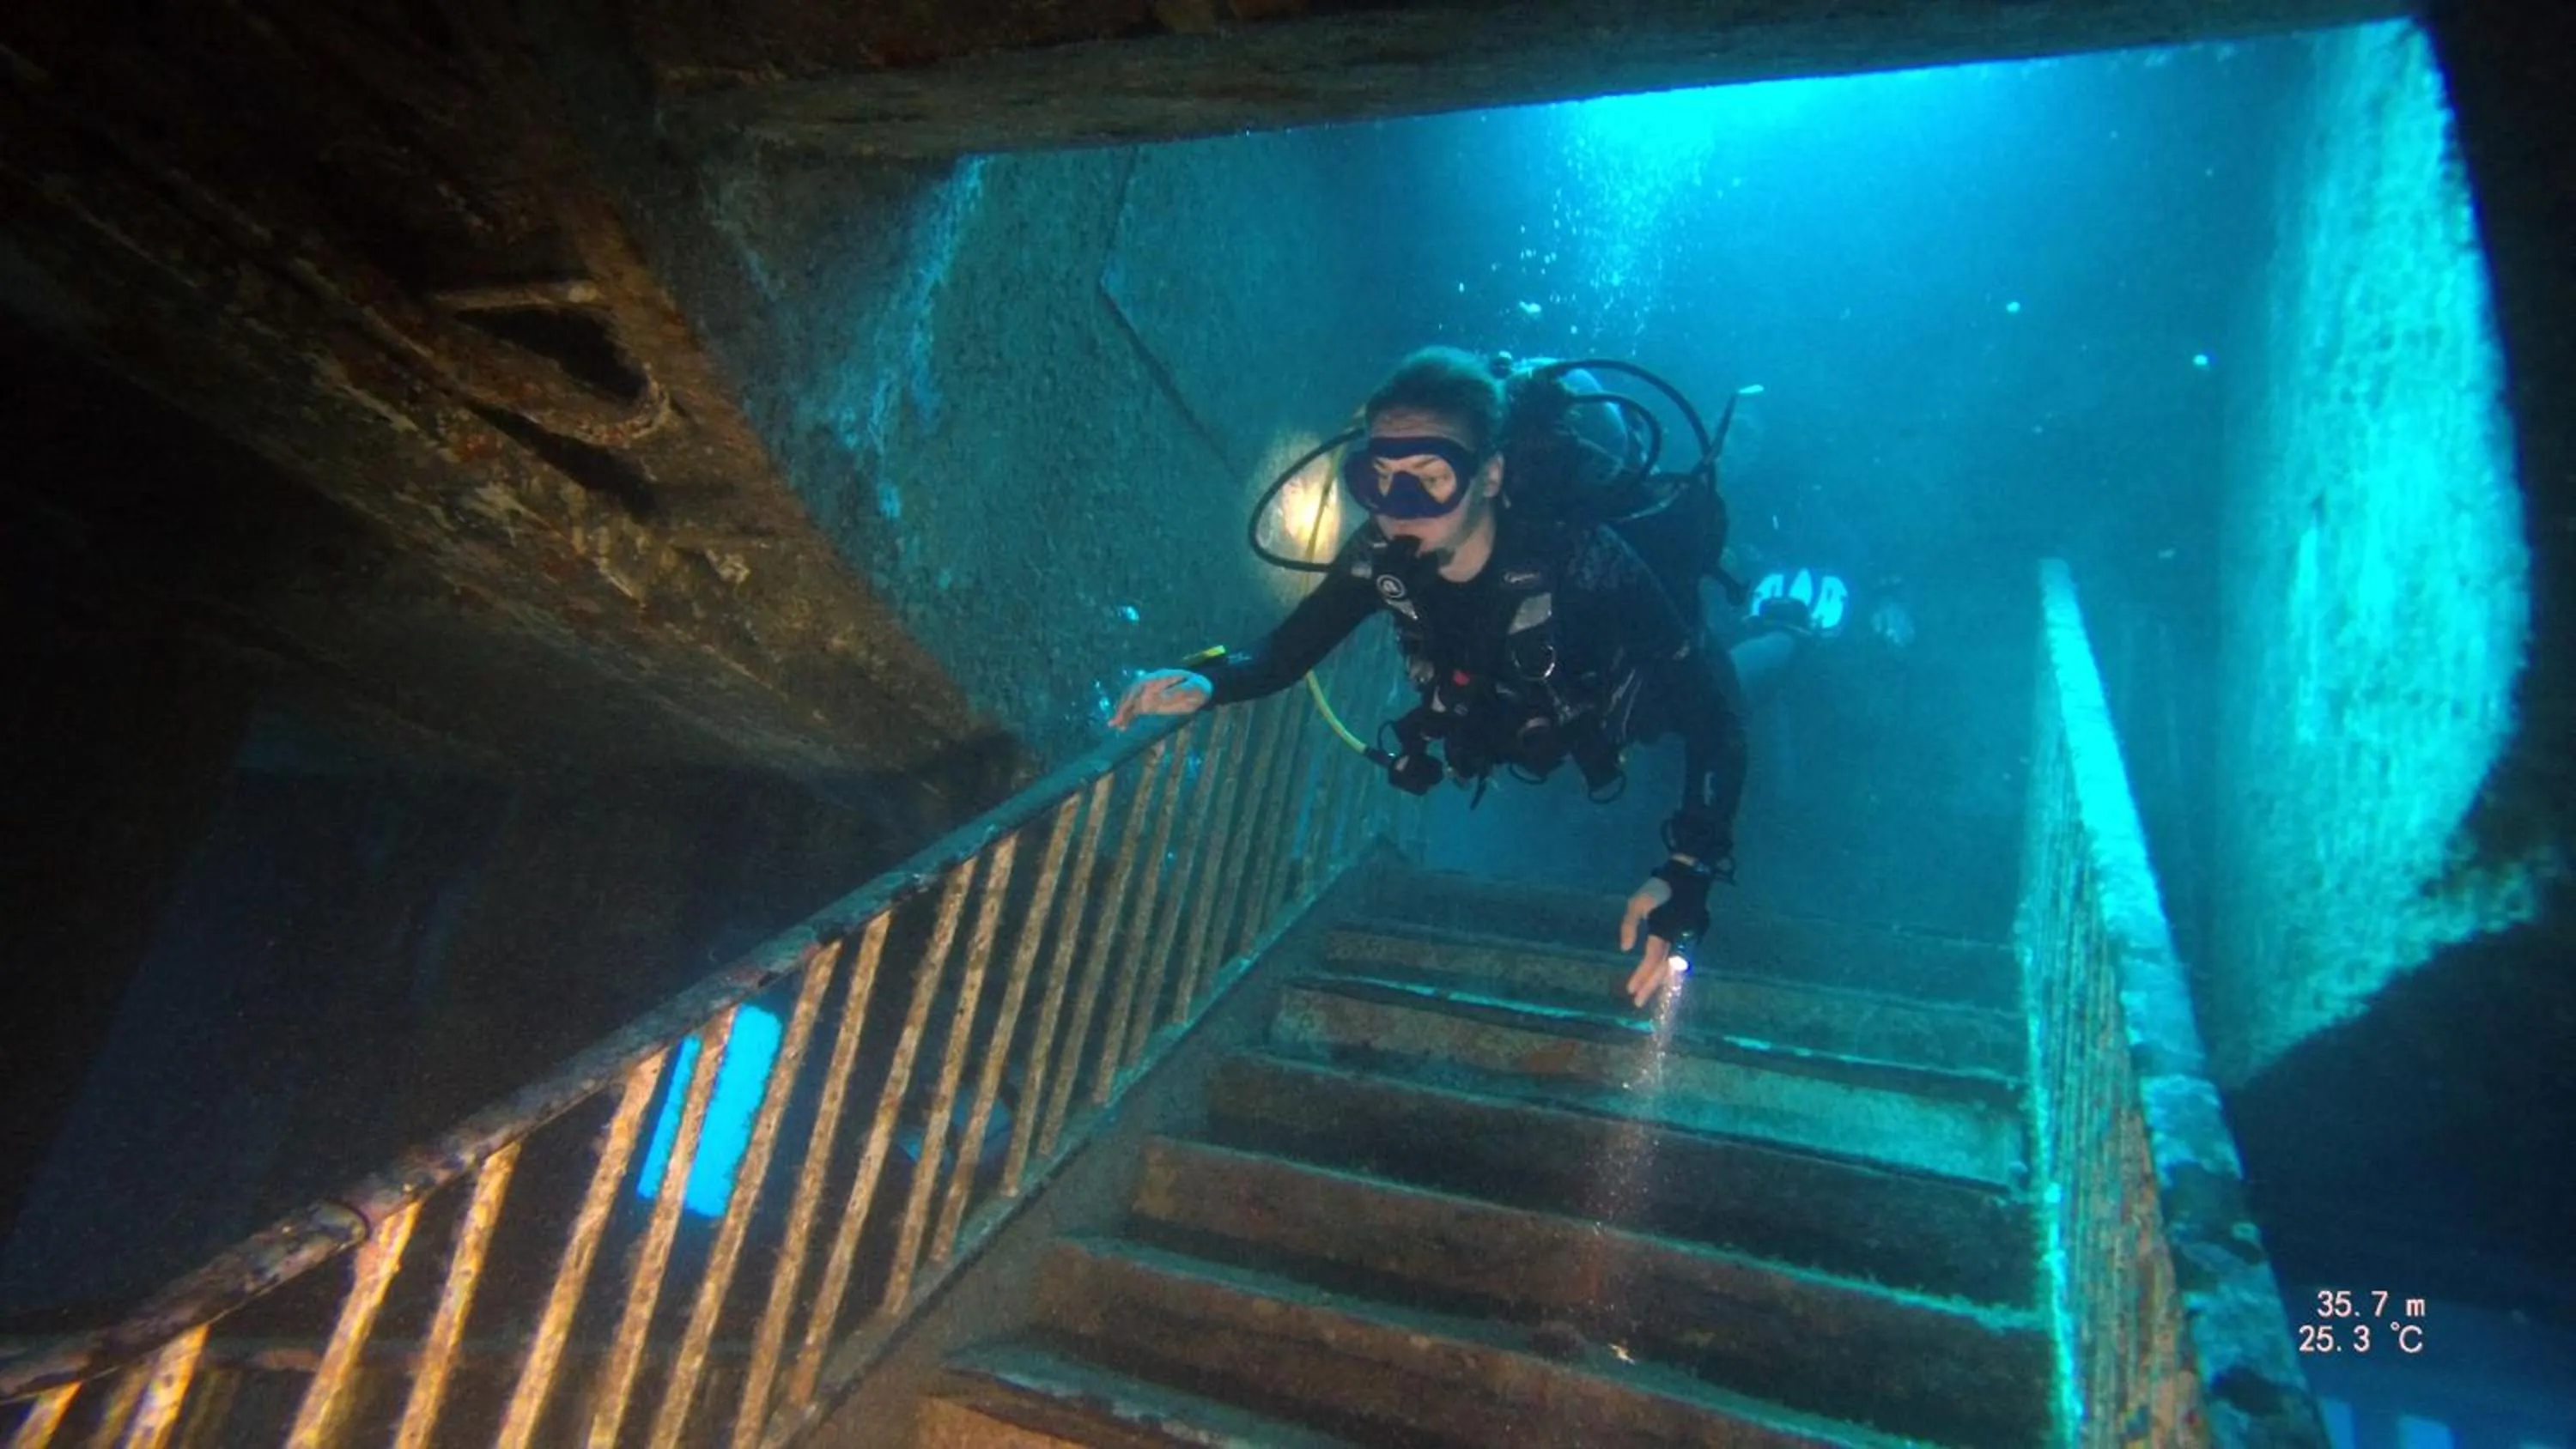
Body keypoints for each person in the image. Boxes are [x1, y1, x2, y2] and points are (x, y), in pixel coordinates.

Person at [1109, 347, 1747, 1009]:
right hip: (1509, 719)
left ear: (1490, 476)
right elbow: (1289, 649)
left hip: (1628, 707)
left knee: (1720, 693)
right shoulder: (1381, 557)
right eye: (1378, 477)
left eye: (1429, 476)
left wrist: (1688, 869)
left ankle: (1781, 637)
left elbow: (1716, 723)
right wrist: (1211, 681)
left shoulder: (1584, 560)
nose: (1399, 505)